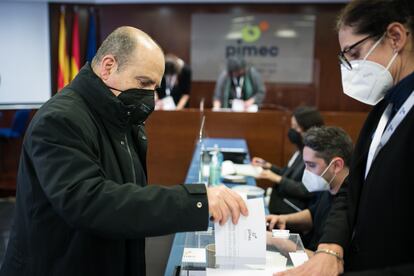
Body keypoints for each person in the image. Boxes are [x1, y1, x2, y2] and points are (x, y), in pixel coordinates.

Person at [0, 26, 248, 276]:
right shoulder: (60, 119)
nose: (151, 96)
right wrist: (195, 202)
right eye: (144, 82)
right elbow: (90, 201)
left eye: (155, 86)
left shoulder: (123, 117)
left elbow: (127, 197)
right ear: (108, 67)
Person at [275, 0, 414, 275]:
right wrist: (330, 247)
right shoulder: (382, 110)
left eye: (354, 52)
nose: (350, 66)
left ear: (395, 37)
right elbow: (352, 189)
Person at [266, 126, 352, 255]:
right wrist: (284, 219)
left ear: (336, 165)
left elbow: (325, 262)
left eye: (311, 165)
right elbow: (314, 214)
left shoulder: (350, 205)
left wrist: (277, 242)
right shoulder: (328, 186)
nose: (306, 172)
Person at [252, 106, 324, 214]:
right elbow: (288, 174)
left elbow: (305, 190)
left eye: (296, 127)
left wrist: (278, 179)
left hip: (294, 209)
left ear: (308, 129)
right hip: (280, 201)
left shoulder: (317, 155)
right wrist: (269, 166)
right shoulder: (302, 148)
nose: (292, 131)